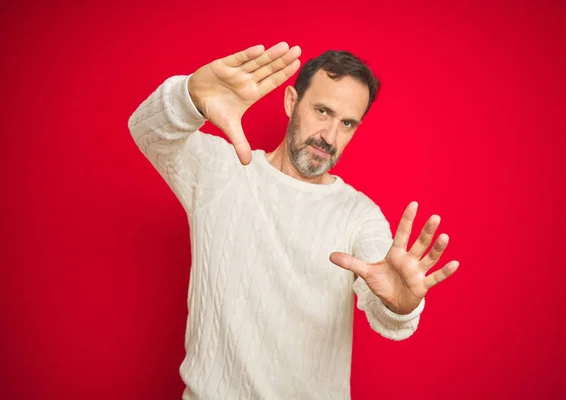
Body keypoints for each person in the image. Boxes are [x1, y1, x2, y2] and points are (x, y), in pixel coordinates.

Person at [128, 42, 460, 400]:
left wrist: (401, 304)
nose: (329, 137)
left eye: (347, 123)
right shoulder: (221, 171)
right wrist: (191, 94)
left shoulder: (359, 215)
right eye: (322, 111)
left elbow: (386, 309)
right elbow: (148, 129)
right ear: (291, 102)